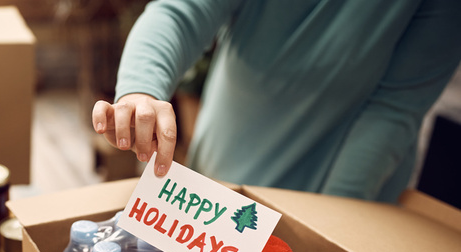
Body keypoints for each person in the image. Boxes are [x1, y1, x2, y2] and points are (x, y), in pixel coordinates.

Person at [92, 0, 461, 202]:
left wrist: (330, 228)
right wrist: (141, 88)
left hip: (347, 189)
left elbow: (393, 109)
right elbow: (181, 12)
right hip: (224, 173)